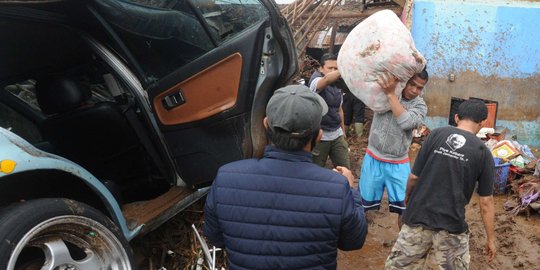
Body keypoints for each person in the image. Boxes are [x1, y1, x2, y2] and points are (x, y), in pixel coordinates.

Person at [204, 85, 368, 269]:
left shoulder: (226, 178)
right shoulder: (336, 188)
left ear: (266, 124)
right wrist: (351, 191)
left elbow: (215, 237)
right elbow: (354, 241)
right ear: (319, 135)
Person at [385, 99, 496, 269]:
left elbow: (414, 177)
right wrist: (491, 239)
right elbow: (486, 202)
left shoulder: (436, 135)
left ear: (457, 117)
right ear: (482, 123)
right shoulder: (483, 152)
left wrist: (408, 197)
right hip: (451, 225)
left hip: (418, 219)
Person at [358, 68, 429, 226]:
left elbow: (406, 123)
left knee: (405, 208)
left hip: (398, 163)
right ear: (404, 81)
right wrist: (390, 92)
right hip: (373, 158)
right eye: (412, 84)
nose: (414, 90)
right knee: (361, 205)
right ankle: (358, 236)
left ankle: (402, 245)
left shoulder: (420, 106)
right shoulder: (384, 93)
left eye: (419, 88)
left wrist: (391, 95)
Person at [309, 53, 350, 169]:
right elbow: (326, 80)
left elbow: (339, 110)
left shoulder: (337, 85)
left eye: (335, 68)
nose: (333, 71)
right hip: (320, 135)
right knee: (315, 170)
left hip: (336, 134)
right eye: (329, 68)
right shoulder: (315, 80)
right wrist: (343, 70)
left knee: (345, 168)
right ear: (321, 68)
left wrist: (343, 132)